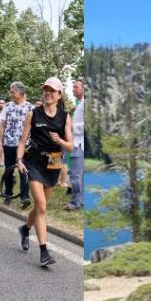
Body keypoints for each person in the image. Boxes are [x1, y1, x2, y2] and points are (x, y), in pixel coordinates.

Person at [17, 77, 73, 267]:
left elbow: (71, 146)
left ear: (59, 94)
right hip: (34, 162)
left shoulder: (65, 116)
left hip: (54, 164)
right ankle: (44, 252)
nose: (48, 93)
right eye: (45, 90)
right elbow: (23, 141)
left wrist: (60, 141)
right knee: (41, 205)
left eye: (52, 90)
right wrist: (19, 160)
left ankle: (25, 229)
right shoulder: (34, 114)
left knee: (41, 207)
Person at [0, 81, 32, 208]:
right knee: (8, 170)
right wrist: (0, 144)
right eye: (11, 91)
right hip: (9, 144)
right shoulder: (7, 106)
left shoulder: (31, 108)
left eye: (13, 92)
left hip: (25, 146)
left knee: (24, 171)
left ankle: (24, 197)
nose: (10, 94)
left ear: (21, 93)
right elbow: (2, 126)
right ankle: (8, 194)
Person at [65, 79, 84, 211]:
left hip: (78, 144)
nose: (73, 89)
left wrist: (71, 127)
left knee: (76, 175)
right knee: (77, 175)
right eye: (73, 87)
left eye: (76, 87)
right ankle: (80, 201)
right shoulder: (80, 103)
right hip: (75, 143)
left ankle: (76, 203)